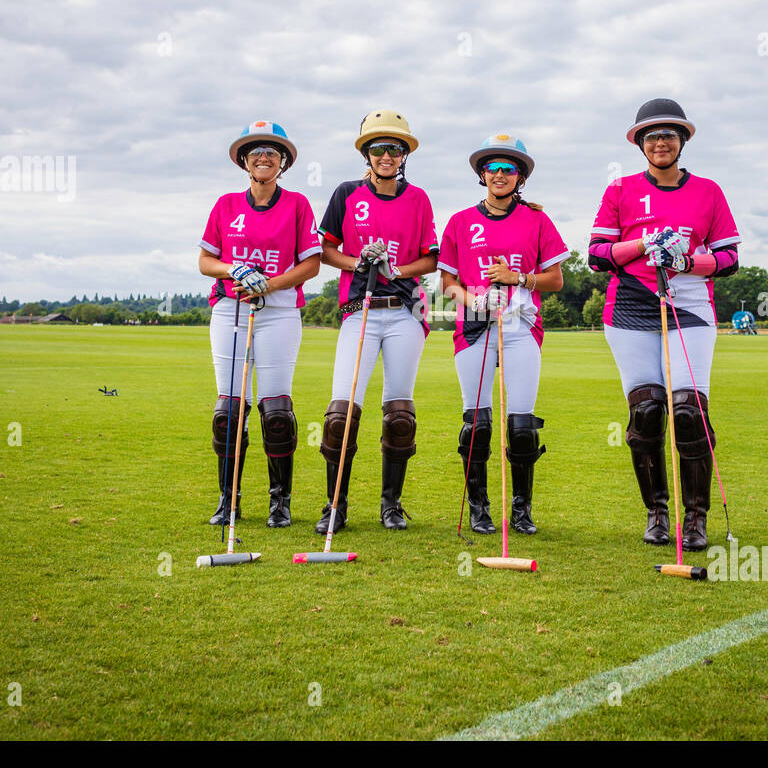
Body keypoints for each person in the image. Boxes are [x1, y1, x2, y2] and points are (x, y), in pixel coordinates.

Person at [588, 99, 740, 550]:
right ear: (639, 143)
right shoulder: (620, 190)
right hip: (631, 305)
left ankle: (695, 519)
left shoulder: (708, 191)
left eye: (669, 135)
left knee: (690, 411)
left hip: (689, 304)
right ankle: (657, 512)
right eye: (651, 135)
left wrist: (689, 259)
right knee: (647, 411)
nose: (660, 142)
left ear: (683, 141)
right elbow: (597, 255)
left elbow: (730, 259)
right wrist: (642, 245)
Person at [314, 110, 439, 532]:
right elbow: (325, 248)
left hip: (404, 312)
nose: (387, 156)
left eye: (395, 149)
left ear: (404, 155)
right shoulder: (346, 193)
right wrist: (358, 261)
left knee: (399, 415)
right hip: (359, 311)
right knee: (340, 413)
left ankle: (390, 505)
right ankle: (335, 505)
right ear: (366, 153)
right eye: (379, 148)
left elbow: (431, 257)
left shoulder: (418, 198)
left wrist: (396, 270)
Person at [439, 134, 567, 535]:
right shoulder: (461, 221)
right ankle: (479, 507)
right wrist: (470, 298)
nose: (499, 174)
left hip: (520, 326)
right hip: (474, 327)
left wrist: (519, 278)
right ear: (481, 174)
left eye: (508, 169)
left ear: (519, 176)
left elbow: (557, 280)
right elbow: (447, 282)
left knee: (522, 424)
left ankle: (522, 509)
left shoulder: (538, 220)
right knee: (477, 422)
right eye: (492, 168)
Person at [198, 121, 321, 528]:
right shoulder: (226, 205)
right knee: (228, 410)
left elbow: (311, 264)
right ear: (244, 161)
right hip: (230, 312)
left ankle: (279, 501)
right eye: (256, 152)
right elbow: (205, 262)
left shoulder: (297, 204)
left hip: (280, 312)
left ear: (282, 161)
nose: (264, 157)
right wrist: (235, 268)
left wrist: (268, 283)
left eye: (272, 151)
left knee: (276, 411)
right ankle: (228, 499)